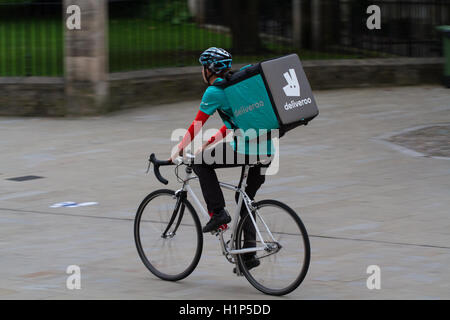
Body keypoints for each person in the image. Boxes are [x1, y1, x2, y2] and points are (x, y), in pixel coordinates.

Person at [169, 47, 274, 270]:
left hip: (248, 149)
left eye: (202, 67)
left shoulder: (214, 92)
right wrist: (211, 141)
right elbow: (235, 120)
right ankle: (249, 256)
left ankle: (218, 213)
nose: (201, 71)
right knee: (244, 199)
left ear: (209, 69)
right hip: (267, 151)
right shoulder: (237, 86)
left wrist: (179, 147)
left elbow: (197, 124)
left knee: (199, 162)